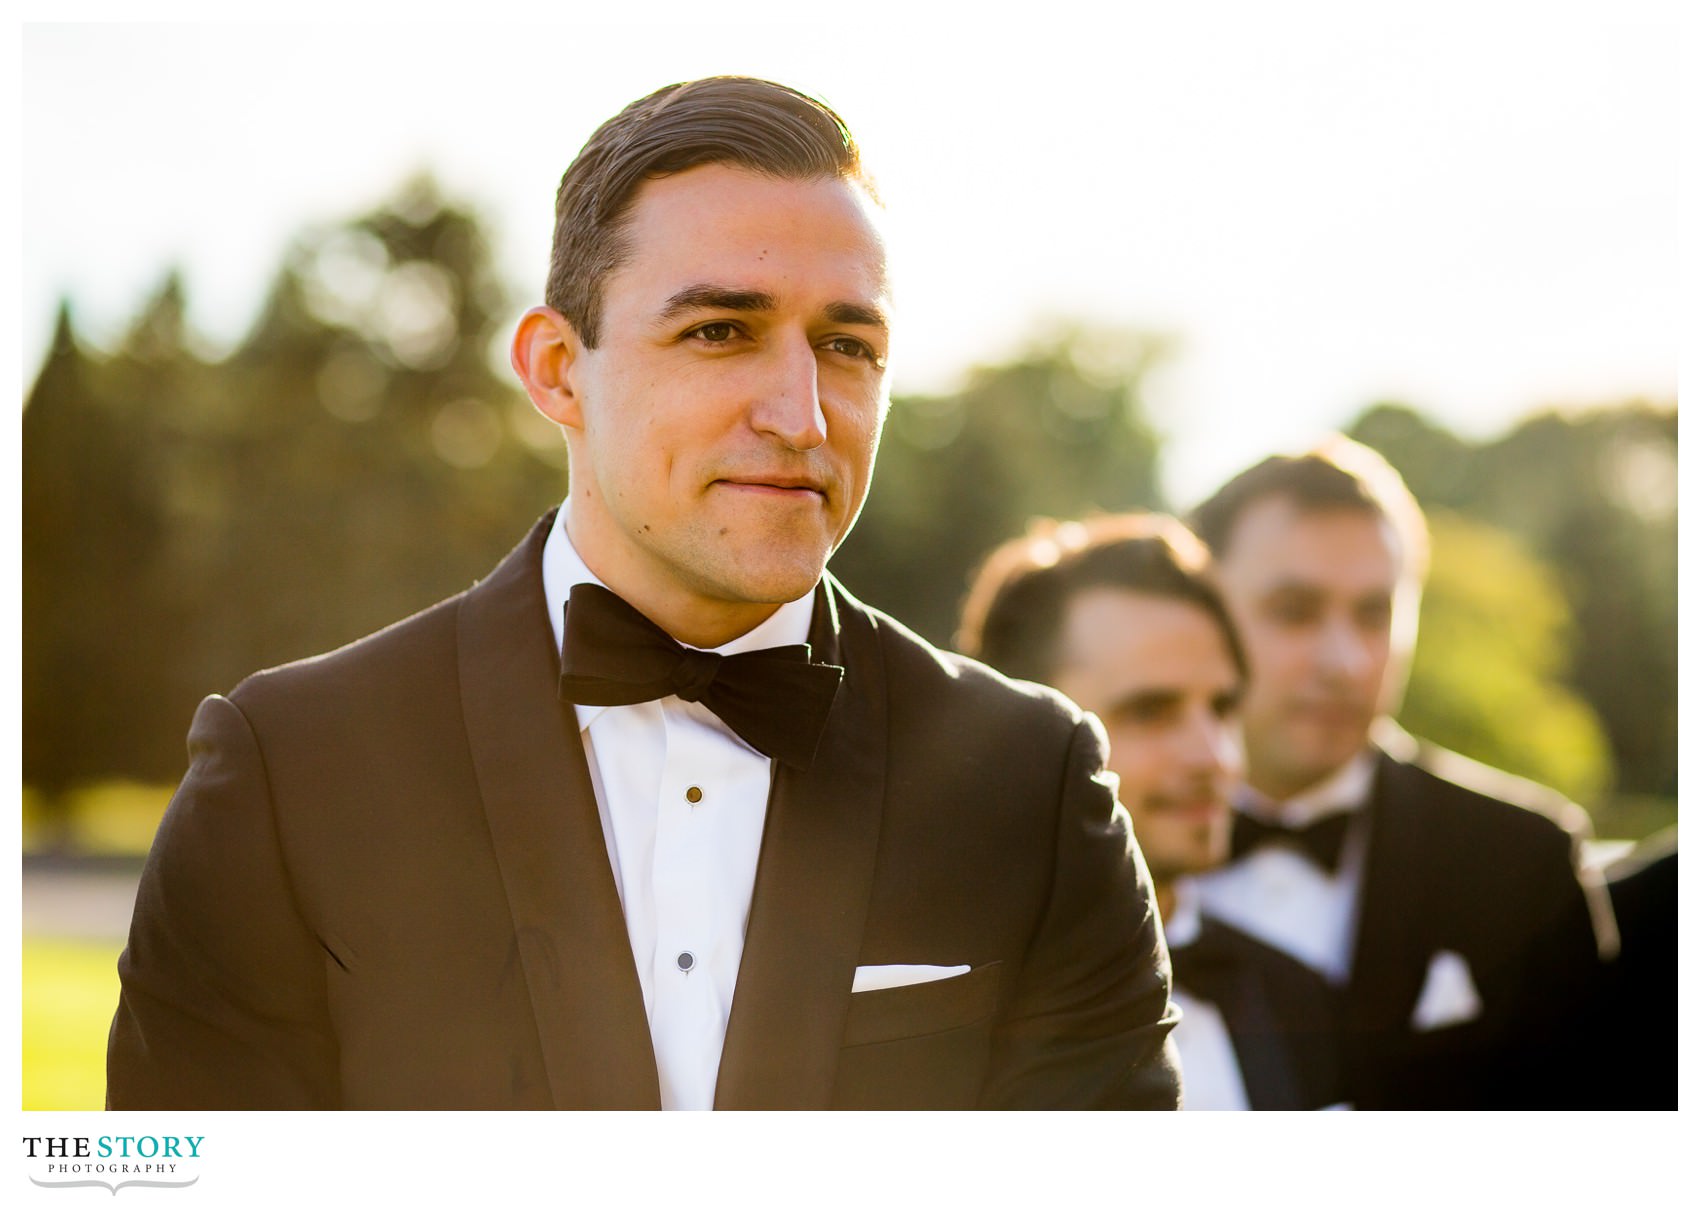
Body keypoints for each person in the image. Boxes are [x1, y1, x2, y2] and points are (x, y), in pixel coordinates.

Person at [105, 76, 1179, 1111]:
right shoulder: (288, 776)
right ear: (557, 369)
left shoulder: (1032, 791)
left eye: (848, 346)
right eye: (720, 331)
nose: (802, 416)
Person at [1186, 436, 1614, 1108]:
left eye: (1373, 613)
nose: (1345, 661)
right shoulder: (1087, 848)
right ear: (1202, 611)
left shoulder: (1526, 865)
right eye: (1294, 611)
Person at [959, 513, 1345, 1109]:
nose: (1214, 757)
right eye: (1151, 711)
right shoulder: (920, 1007)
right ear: (1013, 733)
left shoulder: (1301, 1000)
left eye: (1221, 708)